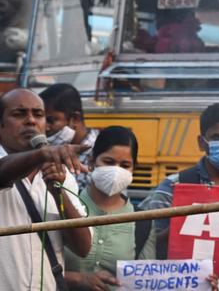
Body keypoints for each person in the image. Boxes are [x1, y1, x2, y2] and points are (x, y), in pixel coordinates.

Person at [139, 102, 219, 290]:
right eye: (218, 137)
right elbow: (144, 244)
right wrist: (179, 229)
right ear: (202, 142)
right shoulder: (174, 186)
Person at [0, 88, 92, 290]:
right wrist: (42, 155)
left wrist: (57, 191)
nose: (31, 121)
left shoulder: (61, 174)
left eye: (39, 115)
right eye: (19, 114)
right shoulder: (6, 165)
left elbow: (83, 247)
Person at [63, 126, 155, 290]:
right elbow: (36, 266)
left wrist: (201, 283)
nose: (116, 171)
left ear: (134, 168)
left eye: (125, 165)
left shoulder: (143, 223)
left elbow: (149, 282)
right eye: (108, 162)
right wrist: (77, 279)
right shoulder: (64, 206)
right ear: (91, 162)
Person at [40, 83, 100, 189]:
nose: (45, 128)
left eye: (50, 120)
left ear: (75, 118)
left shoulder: (102, 152)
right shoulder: (48, 150)